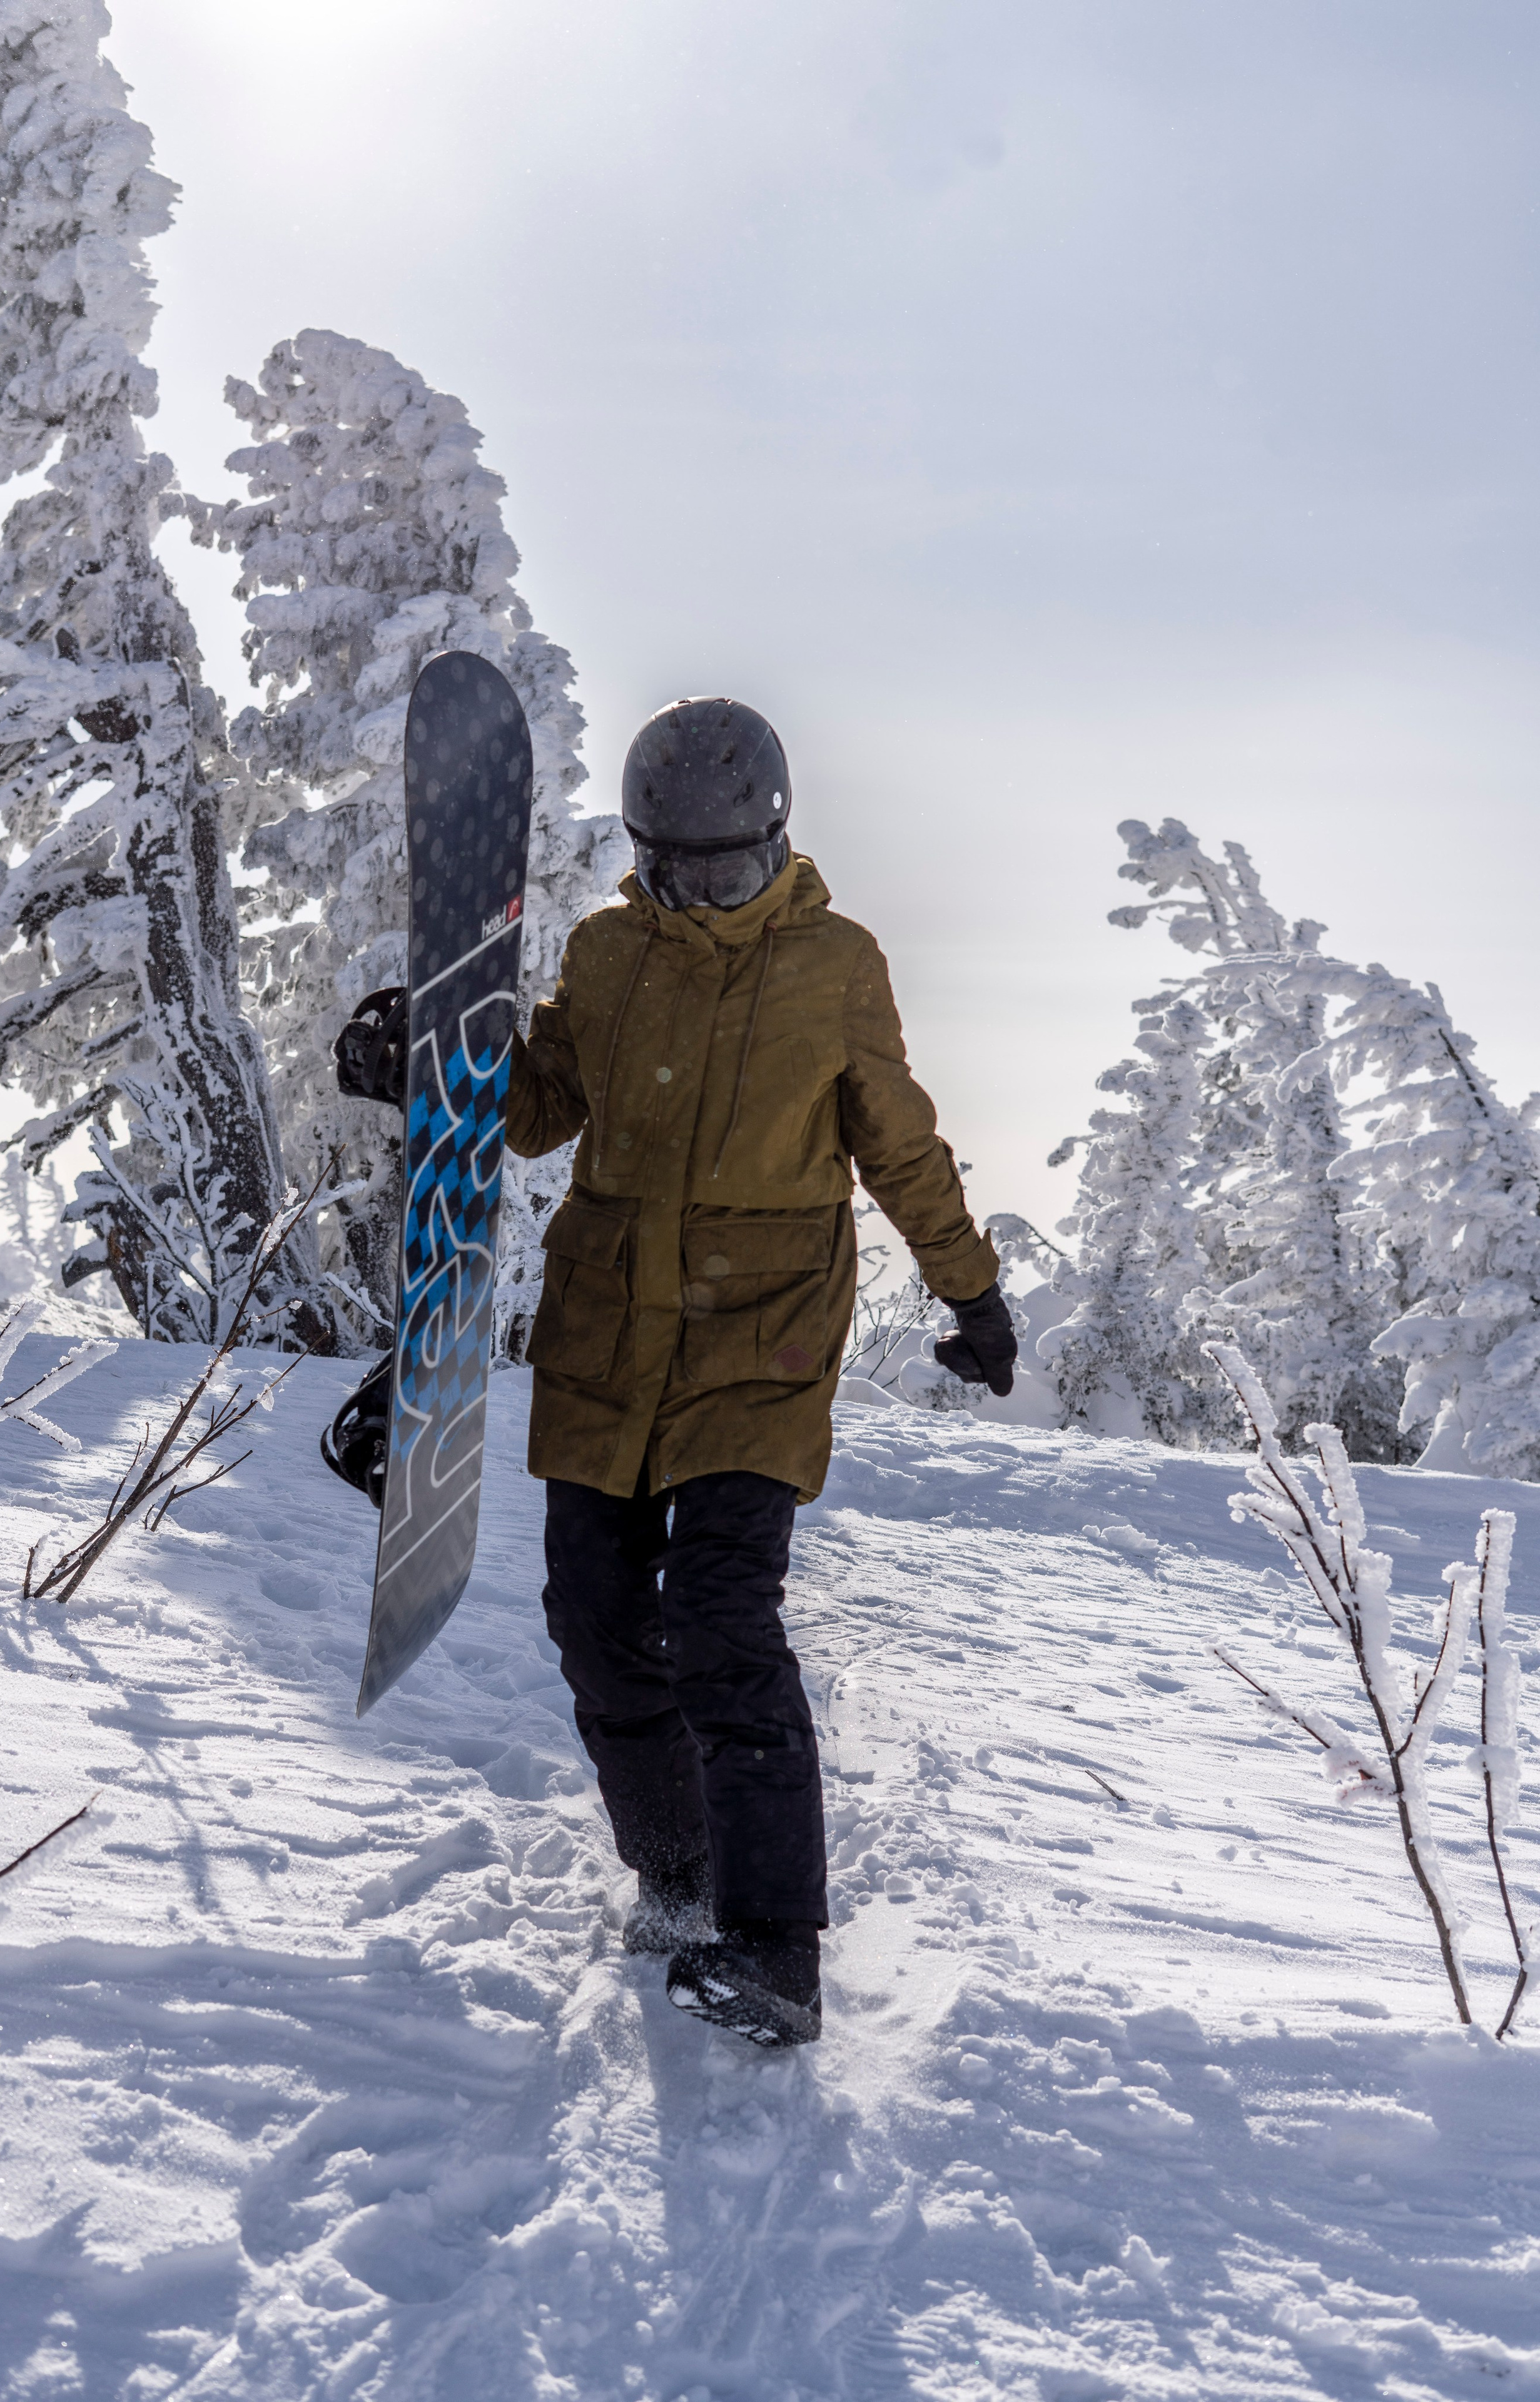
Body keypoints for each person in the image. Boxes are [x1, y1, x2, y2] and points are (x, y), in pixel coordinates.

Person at [498, 697, 1016, 2045]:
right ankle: (674, 1879)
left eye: (730, 868)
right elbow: (535, 1105)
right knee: (599, 1625)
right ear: (643, 850)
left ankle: (774, 1948)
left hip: (760, 1340)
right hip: (609, 1330)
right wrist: (417, 1068)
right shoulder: (606, 954)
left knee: (722, 1621)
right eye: (677, 867)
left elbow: (898, 1144)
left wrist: (970, 1290)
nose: (704, 891)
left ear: (776, 842)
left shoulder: (834, 963)